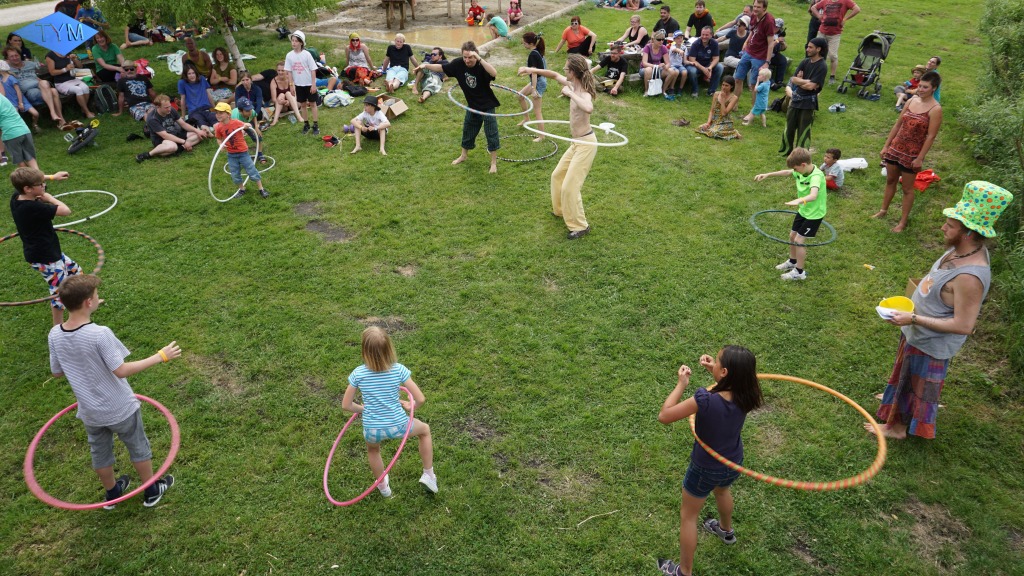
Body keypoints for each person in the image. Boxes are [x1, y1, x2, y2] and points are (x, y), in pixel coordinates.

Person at [869, 182, 1013, 440]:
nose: (943, 227)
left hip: (932, 343)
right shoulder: (958, 250)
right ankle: (896, 399)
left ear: (968, 232)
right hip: (918, 331)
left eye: (950, 225)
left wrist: (913, 317)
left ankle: (898, 429)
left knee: (919, 385)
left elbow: (964, 325)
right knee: (906, 374)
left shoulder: (970, 276)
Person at [47, 273, 178, 508]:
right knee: (138, 447)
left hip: (90, 412)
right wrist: (161, 357)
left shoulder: (55, 334)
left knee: (100, 453)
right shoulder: (100, 334)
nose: (98, 298)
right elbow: (121, 370)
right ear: (88, 302)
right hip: (120, 407)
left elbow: (56, 372)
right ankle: (151, 490)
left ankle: (112, 494)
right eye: (96, 296)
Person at [656, 346, 764, 576]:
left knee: (688, 516)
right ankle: (726, 531)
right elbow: (727, 388)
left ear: (725, 372)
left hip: (704, 468)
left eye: (716, 362)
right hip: (732, 462)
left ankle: (684, 572)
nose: (711, 364)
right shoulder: (749, 393)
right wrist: (712, 370)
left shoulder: (705, 400)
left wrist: (681, 384)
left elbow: (665, 416)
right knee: (722, 492)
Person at [342, 326, 438, 498]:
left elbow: (346, 405)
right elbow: (421, 399)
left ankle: (383, 488)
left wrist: (362, 409)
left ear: (364, 351)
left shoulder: (358, 374)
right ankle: (429, 475)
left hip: (372, 429)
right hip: (399, 425)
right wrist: (411, 406)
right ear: (389, 348)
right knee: (424, 431)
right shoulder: (398, 369)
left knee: (373, 451)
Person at [518, 54, 597, 240]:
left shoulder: (583, 92)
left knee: (570, 186)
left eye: (566, 69)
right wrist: (531, 70)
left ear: (574, 72)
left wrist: (570, 95)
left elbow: (588, 108)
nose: (564, 71)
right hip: (576, 143)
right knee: (557, 176)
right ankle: (561, 210)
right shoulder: (572, 85)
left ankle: (580, 226)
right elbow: (553, 75)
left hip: (586, 144)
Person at [874, 70, 942, 232]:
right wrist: (886, 146)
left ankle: (902, 222)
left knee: (907, 189)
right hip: (896, 148)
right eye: (920, 85)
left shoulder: (935, 109)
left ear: (934, 88)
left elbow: (931, 137)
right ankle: (883, 210)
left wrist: (920, 158)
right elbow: (897, 125)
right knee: (890, 180)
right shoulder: (911, 101)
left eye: (925, 87)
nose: (920, 89)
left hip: (912, 153)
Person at [418, 41, 501, 174]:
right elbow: (442, 68)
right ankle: (463, 155)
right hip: (472, 105)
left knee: (491, 132)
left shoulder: (481, 66)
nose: (467, 60)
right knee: (468, 129)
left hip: (487, 105)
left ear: (476, 55)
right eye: (465, 57)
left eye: (470, 57)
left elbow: (494, 73)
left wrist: (479, 59)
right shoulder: (459, 64)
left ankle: (493, 163)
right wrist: (425, 65)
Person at [9, 166, 76, 325]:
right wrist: (49, 197)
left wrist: (53, 176)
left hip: (49, 251)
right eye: (41, 184)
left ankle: (88, 301)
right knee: (59, 292)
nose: (43, 185)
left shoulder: (17, 196)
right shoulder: (33, 207)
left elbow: (30, 181)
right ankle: (57, 327)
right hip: (46, 257)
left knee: (76, 273)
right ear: (28, 189)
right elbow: (65, 211)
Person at [754, 147, 826, 281]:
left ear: (803, 165)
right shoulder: (801, 171)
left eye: (796, 168)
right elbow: (787, 172)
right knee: (792, 235)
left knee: (799, 241)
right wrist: (768, 174)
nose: (794, 171)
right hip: (804, 211)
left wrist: (799, 200)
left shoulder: (816, 176)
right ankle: (792, 261)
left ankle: (799, 272)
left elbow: (813, 195)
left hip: (814, 214)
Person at [779, 37, 827, 157]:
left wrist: (801, 81)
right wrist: (803, 81)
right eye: (808, 46)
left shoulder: (822, 66)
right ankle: (785, 152)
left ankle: (801, 155)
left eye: (810, 47)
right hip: (795, 100)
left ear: (819, 49)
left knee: (803, 130)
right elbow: (793, 79)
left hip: (808, 103)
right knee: (789, 127)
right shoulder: (805, 61)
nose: (807, 49)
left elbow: (811, 86)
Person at [213, 102, 268, 200]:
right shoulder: (218, 127)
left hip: (243, 153)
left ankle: (261, 189)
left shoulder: (236, 122)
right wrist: (221, 145)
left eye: (221, 112)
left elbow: (245, 124)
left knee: (251, 170)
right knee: (235, 173)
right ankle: (242, 189)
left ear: (228, 114)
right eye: (217, 113)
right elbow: (218, 138)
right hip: (231, 154)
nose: (218, 115)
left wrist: (246, 125)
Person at [137, 94, 208, 162]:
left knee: (199, 135)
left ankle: (180, 148)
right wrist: (184, 141)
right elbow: (165, 135)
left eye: (169, 106)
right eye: (166, 107)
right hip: (161, 139)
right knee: (172, 147)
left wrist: (197, 131)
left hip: (175, 133)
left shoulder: (171, 110)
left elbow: (183, 124)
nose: (169, 109)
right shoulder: (152, 118)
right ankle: (149, 154)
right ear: (158, 107)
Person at [4, 48, 64, 128]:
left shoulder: (29, 64)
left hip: (41, 87)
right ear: (7, 59)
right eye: (11, 56)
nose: (15, 58)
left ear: (20, 55)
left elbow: (37, 73)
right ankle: (60, 119)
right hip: (29, 93)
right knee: (51, 91)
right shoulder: (6, 69)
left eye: (16, 55)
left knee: (51, 88)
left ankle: (57, 117)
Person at [733, 0, 777, 102]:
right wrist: (746, 42)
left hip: (760, 56)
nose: (755, 9)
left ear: (764, 8)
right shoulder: (753, 16)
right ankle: (734, 104)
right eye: (755, 6)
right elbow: (753, 30)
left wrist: (767, 62)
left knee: (754, 84)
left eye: (758, 7)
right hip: (749, 52)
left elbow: (771, 43)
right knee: (738, 78)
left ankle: (753, 111)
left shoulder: (769, 21)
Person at [810, 0, 859, 84]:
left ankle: (832, 76)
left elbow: (857, 9)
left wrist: (845, 19)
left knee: (832, 55)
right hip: (822, 32)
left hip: (835, 34)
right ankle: (815, 73)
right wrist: (819, 16)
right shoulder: (825, 0)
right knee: (816, 52)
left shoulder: (846, 1)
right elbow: (813, 7)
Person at [285, 31, 320, 135]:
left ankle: (315, 124)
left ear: (301, 43)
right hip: (298, 85)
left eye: (296, 41)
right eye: (293, 41)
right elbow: (289, 72)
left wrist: (313, 84)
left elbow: (313, 70)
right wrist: (291, 85)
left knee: (313, 104)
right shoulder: (289, 56)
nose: (294, 43)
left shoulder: (307, 54)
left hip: (309, 84)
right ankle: (306, 124)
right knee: (303, 105)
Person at [45, 50, 94, 120]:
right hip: (61, 82)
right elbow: (52, 72)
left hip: (73, 79)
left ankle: (83, 109)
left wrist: (75, 59)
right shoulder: (50, 56)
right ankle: (87, 112)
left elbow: (80, 66)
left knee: (85, 87)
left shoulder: (68, 52)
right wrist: (65, 69)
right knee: (78, 90)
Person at [0, 96, 45, 168]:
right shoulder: (1, 97)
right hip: (24, 130)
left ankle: (28, 178)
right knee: (30, 158)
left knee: (20, 163)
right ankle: (39, 178)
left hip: (10, 134)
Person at [518, 32, 547, 141]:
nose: (523, 45)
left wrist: (534, 89)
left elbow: (534, 73)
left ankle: (542, 136)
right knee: (520, 96)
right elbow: (537, 69)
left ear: (530, 43)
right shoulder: (537, 51)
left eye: (524, 43)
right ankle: (526, 118)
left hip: (538, 82)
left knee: (537, 110)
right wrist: (525, 73)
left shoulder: (533, 54)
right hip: (538, 80)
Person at [696, 75, 741, 139]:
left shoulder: (734, 98)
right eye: (723, 85)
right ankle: (721, 130)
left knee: (712, 132)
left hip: (725, 121)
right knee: (701, 128)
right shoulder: (716, 94)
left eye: (726, 85)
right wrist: (708, 123)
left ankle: (734, 132)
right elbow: (712, 111)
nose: (723, 87)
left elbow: (724, 113)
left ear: (731, 86)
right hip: (714, 120)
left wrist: (722, 100)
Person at [0, 60, 40, 132]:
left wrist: (21, 102)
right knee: (16, 117)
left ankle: (35, 124)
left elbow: (18, 91)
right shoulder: (0, 80)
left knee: (35, 113)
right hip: (11, 102)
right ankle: (21, 131)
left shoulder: (11, 78)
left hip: (20, 99)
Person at [177, 62, 216, 134]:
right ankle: (208, 133)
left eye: (193, 73)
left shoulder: (202, 79)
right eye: (189, 74)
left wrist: (215, 108)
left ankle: (218, 131)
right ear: (185, 75)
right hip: (194, 111)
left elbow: (208, 94)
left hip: (206, 108)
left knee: (214, 119)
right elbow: (183, 99)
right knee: (200, 122)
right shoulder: (182, 83)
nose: (192, 75)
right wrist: (183, 116)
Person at [686, 26, 723, 97]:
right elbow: (692, 60)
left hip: (707, 65)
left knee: (720, 67)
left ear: (711, 35)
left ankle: (711, 91)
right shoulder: (695, 44)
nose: (704, 37)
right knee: (692, 71)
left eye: (706, 35)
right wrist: (703, 69)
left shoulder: (714, 43)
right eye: (702, 34)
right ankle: (695, 91)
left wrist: (710, 67)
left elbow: (716, 58)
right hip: (695, 65)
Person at [230, 97, 267, 164]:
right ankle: (240, 156)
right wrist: (242, 131)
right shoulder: (235, 117)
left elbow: (254, 116)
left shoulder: (251, 111)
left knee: (257, 136)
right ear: (240, 111)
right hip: (235, 126)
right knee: (237, 141)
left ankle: (260, 153)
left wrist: (256, 127)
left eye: (250, 109)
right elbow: (235, 127)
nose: (250, 111)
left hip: (247, 123)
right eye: (247, 111)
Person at [641, 32, 678, 98]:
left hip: (658, 69)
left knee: (672, 71)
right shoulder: (647, 47)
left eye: (663, 39)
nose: (661, 41)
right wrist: (656, 66)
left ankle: (663, 90)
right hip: (645, 69)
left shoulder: (663, 48)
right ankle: (647, 91)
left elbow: (668, 63)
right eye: (659, 39)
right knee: (649, 70)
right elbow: (644, 63)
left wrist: (665, 67)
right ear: (653, 40)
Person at [269, 61, 303, 126]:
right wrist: (284, 101)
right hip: (282, 106)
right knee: (281, 95)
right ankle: (275, 120)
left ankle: (299, 116)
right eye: (278, 70)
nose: (280, 72)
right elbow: (274, 99)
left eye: (282, 70)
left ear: (286, 71)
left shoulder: (290, 79)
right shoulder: (274, 81)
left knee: (288, 93)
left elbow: (294, 94)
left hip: (293, 103)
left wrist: (288, 101)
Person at [665, 31, 689, 99]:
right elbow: (675, 50)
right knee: (676, 72)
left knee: (685, 72)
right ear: (674, 40)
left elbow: (685, 61)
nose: (680, 39)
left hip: (680, 65)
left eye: (681, 37)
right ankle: (671, 88)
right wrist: (680, 51)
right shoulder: (672, 46)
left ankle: (680, 89)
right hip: (672, 65)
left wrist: (691, 63)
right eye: (678, 38)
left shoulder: (684, 47)